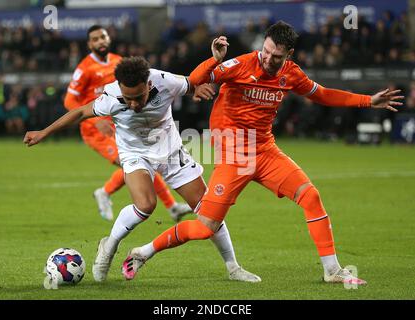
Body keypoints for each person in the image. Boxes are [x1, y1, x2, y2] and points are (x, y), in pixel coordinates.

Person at [124, 21, 404, 285]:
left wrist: (368, 100)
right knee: (206, 227)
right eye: (266, 51)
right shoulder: (239, 65)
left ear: (289, 54)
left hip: (266, 151)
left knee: (311, 197)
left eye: (276, 56)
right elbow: (197, 79)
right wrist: (215, 59)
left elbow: (323, 94)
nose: (268, 59)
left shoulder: (291, 73)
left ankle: (332, 271)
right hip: (234, 155)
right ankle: (144, 252)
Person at [23, 56, 260, 283]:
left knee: (208, 210)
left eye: (138, 97)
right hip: (134, 153)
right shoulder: (111, 96)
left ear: (148, 84)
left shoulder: (164, 81)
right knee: (146, 205)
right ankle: (110, 245)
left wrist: (197, 89)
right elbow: (80, 112)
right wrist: (44, 132)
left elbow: (191, 83)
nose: (133, 104)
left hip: (170, 150)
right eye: (128, 99)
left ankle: (233, 267)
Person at [64, 25, 191, 221]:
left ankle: (171, 206)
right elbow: (69, 102)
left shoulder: (118, 62)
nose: (101, 41)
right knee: (137, 164)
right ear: (89, 44)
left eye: (103, 37)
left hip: (120, 125)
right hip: (96, 130)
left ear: (109, 39)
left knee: (144, 163)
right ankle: (105, 192)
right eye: (96, 39)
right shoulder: (84, 69)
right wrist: (96, 120)